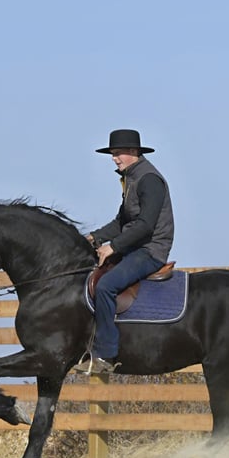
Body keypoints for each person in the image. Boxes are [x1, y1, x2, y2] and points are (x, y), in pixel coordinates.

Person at [74, 129, 175, 374]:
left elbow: (145, 224)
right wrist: (94, 237)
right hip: (133, 246)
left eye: (117, 153)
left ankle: (105, 356)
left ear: (133, 152)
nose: (114, 158)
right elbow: (122, 221)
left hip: (150, 250)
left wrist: (113, 246)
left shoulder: (149, 180)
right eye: (112, 153)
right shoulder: (132, 178)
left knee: (106, 286)